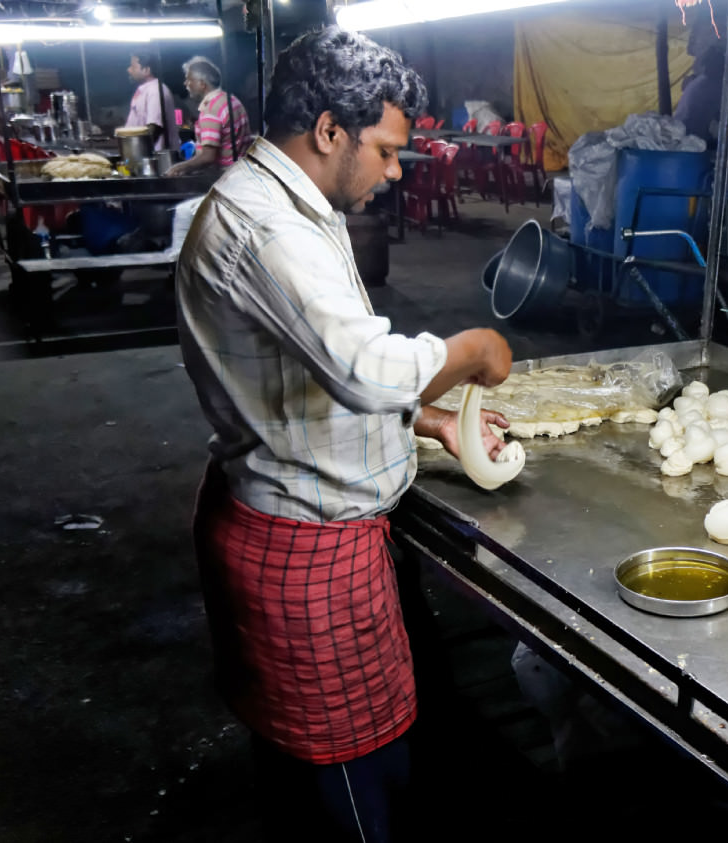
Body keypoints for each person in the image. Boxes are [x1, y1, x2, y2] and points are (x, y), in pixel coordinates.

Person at [175, 27, 513, 841]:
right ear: (330, 130)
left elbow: (309, 366)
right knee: (346, 798)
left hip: (324, 539)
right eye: (388, 151)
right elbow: (361, 366)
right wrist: (467, 352)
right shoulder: (266, 228)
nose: (396, 172)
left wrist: (423, 418)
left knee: (370, 769)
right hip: (304, 557)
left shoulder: (297, 204)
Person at [167, 56, 250, 176]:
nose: (186, 84)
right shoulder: (231, 99)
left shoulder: (211, 109)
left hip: (224, 178)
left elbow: (208, 157)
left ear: (202, 84)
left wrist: (179, 167)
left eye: (189, 80)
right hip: (240, 172)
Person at [125, 51, 178, 151]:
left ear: (146, 70)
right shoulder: (144, 90)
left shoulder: (155, 91)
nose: (129, 70)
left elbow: (154, 127)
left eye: (133, 67)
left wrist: (140, 151)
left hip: (157, 159)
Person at [673, 45, 724, 144]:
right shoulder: (711, 85)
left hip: (683, 132)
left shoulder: (701, 81)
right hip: (690, 135)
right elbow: (721, 115)